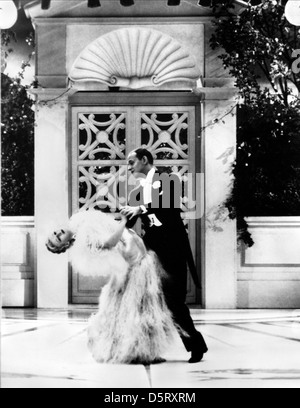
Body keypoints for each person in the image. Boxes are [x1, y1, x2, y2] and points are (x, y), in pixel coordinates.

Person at [46, 210, 178, 365]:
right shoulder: (83, 242)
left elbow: (104, 221)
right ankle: (136, 352)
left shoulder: (77, 221)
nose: (57, 234)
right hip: (132, 261)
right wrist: (122, 224)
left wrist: (119, 219)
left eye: (54, 233)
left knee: (140, 309)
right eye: (58, 239)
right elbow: (109, 243)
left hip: (133, 247)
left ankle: (143, 352)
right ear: (66, 244)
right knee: (138, 311)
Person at [121, 148, 208, 364]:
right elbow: (128, 222)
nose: (129, 167)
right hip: (149, 253)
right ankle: (147, 350)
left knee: (173, 302)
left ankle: (196, 345)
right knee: (147, 301)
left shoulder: (169, 179)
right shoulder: (137, 191)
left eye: (132, 162)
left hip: (173, 249)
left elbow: (167, 206)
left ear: (145, 160)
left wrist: (140, 209)